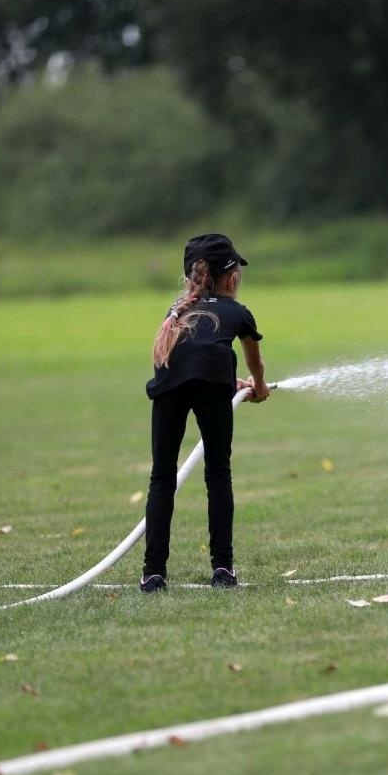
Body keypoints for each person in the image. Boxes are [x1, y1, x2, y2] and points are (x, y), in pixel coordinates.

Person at [140, 233, 270, 593]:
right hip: (211, 381)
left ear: (189, 280)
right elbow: (252, 357)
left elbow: (188, 355)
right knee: (217, 473)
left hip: (170, 383)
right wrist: (257, 386)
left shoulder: (175, 312)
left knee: (162, 479)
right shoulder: (236, 312)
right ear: (232, 278)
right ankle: (223, 568)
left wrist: (231, 384)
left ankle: (153, 574)